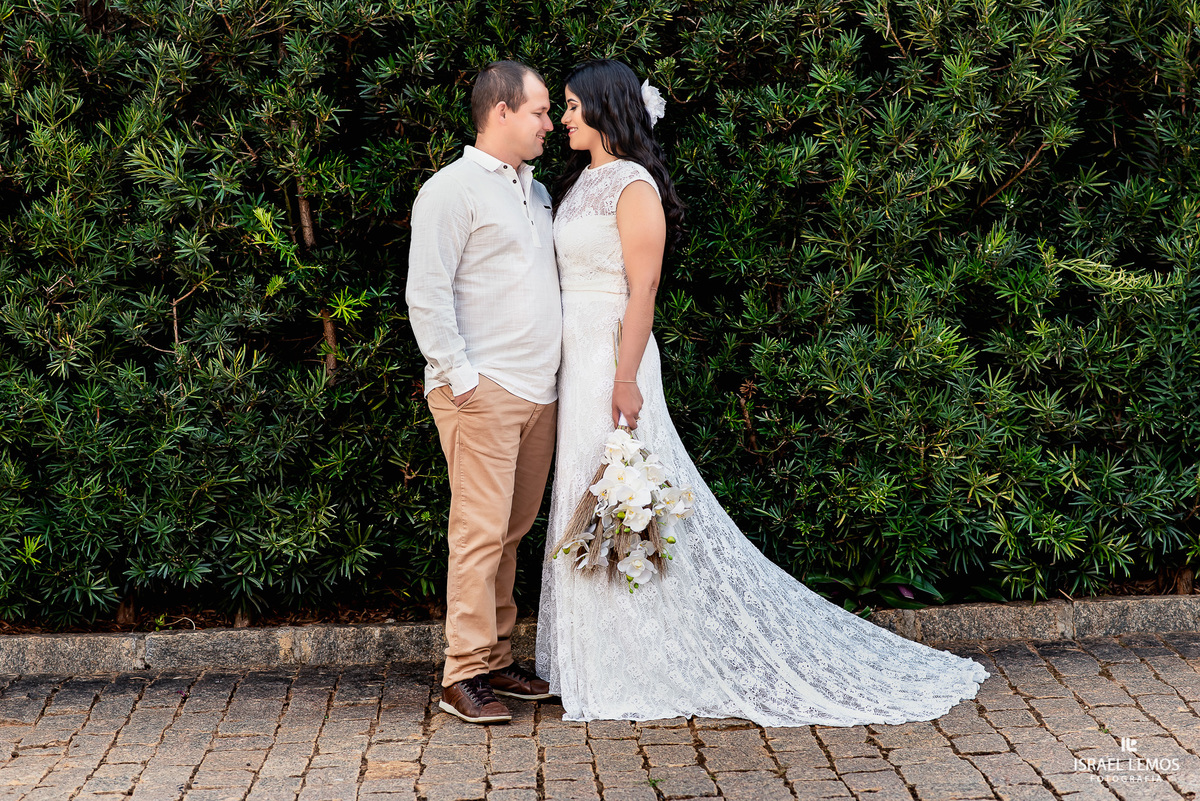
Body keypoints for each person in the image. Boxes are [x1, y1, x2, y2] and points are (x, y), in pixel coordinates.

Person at [535, 59, 991, 725]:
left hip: (611, 356)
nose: (564, 119)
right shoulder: (579, 183)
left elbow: (644, 288)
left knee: (621, 494)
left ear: (605, 109)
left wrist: (625, 377)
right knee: (582, 490)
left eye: (574, 106)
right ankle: (593, 660)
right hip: (575, 362)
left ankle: (633, 661)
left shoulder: (632, 185)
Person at [406, 60, 561, 724]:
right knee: (478, 532)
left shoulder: (538, 191)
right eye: (540, 111)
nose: (550, 124)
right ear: (501, 111)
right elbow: (426, 291)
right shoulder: (451, 189)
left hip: (540, 391)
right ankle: (462, 672)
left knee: (511, 532)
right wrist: (461, 378)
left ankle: (495, 658)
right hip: (483, 390)